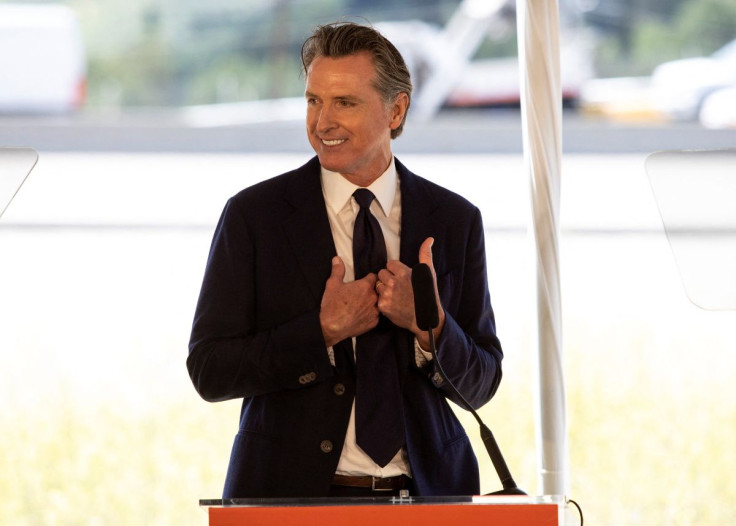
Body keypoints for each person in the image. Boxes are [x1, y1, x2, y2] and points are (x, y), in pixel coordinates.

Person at [187, 21, 503, 499]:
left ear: (396, 110)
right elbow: (209, 370)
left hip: (426, 498)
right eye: (314, 100)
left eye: (345, 103)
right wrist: (322, 331)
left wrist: (431, 327)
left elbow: (480, 384)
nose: (322, 122)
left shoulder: (455, 220)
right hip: (289, 496)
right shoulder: (254, 216)